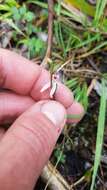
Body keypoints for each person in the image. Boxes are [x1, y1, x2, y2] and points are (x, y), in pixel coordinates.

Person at [0, 49, 84, 189]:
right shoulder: (50, 84)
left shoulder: (52, 84)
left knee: (70, 109)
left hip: (52, 92)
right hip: (50, 95)